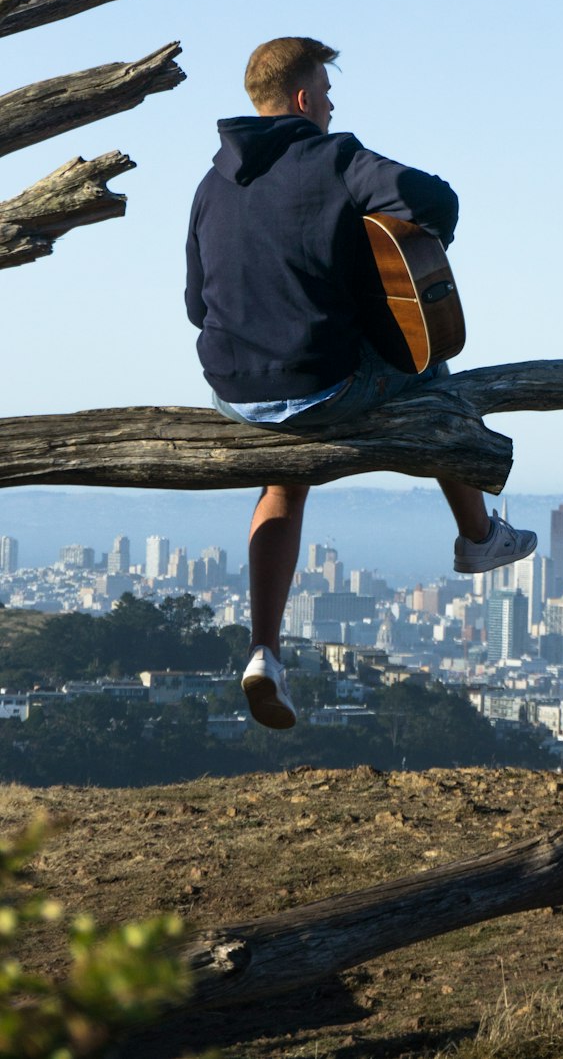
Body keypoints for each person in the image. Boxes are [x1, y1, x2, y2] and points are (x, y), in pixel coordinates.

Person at [186, 37, 536, 730]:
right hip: (321, 388)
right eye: (327, 89)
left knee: (284, 478)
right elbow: (437, 201)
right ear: (304, 98)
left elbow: (197, 305)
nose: (333, 102)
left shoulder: (209, 184)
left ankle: (263, 653)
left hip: (233, 389)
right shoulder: (335, 157)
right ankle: (477, 536)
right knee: (429, 367)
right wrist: (399, 248)